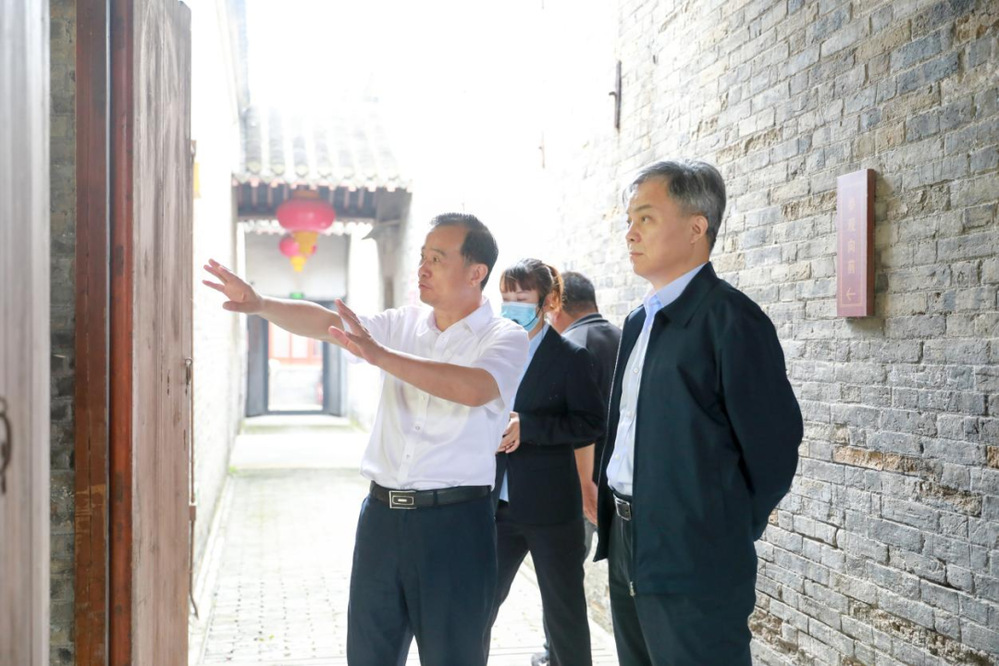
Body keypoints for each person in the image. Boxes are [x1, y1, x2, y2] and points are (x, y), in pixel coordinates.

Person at [203, 213, 529, 666]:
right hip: (381, 520)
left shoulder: (505, 336)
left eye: (437, 259)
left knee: (454, 656)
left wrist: (380, 355)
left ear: (477, 273)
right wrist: (260, 303)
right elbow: (328, 325)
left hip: (455, 524)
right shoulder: (403, 324)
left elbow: (474, 388)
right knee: (369, 655)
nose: (422, 268)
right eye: (422, 257)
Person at [595, 159, 803, 665]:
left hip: (694, 553)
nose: (630, 233)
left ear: (696, 228)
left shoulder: (732, 320)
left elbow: (774, 451)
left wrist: (717, 527)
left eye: (646, 218)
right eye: (629, 220)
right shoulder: (641, 319)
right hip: (627, 542)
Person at [484, 259, 605, 666]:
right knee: (478, 605)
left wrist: (530, 426)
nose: (511, 305)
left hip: (552, 508)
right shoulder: (493, 352)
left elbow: (590, 423)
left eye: (521, 296)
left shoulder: (571, 357)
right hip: (496, 506)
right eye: (506, 296)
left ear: (548, 301)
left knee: (564, 613)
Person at [531, 271, 621, 666]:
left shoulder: (569, 348)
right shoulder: (625, 338)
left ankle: (556, 654)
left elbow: (573, 425)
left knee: (561, 580)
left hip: (578, 484)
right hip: (621, 484)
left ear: (557, 307)